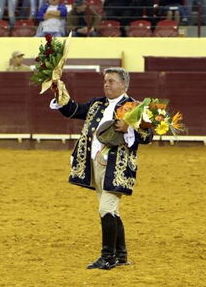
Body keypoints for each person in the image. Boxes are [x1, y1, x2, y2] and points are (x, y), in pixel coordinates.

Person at [48, 67, 153, 269]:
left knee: (106, 208)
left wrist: (128, 127)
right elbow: (73, 110)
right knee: (111, 210)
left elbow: (147, 137)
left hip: (118, 166)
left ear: (124, 84)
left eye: (112, 81)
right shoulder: (97, 104)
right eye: (105, 80)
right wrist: (59, 92)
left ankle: (108, 257)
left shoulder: (135, 107)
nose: (107, 84)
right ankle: (121, 255)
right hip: (94, 163)